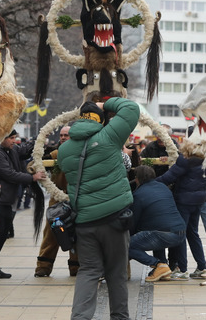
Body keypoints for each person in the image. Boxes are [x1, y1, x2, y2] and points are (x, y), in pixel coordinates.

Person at [58, 98, 139, 320]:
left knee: (88, 271)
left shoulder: (64, 150)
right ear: (101, 119)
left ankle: (80, 317)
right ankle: (120, 317)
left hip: (84, 221)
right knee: (116, 273)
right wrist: (107, 104)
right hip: (114, 219)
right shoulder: (109, 136)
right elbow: (131, 108)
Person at [0, 130, 45, 279]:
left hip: (7, 199)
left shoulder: (11, 149)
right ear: (1, 138)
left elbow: (24, 150)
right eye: (11, 138)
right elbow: (9, 174)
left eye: (15, 138)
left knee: (3, 233)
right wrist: (32, 178)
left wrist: (41, 137)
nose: (14, 141)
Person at [155, 151, 206, 279]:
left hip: (184, 199)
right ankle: (202, 267)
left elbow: (169, 177)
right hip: (200, 199)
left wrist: (151, 183)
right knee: (193, 232)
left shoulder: (187, 157)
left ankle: (182, 269)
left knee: (180, 232)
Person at [35, 124, 80, 278]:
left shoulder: (81, 153)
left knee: (76, 234)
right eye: (61, 135)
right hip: (56, 202)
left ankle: (76, 267)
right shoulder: (54, 154)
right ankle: (43, 267)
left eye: (66, 135)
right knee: (51, 233)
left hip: (76, 200)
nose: (62, 138)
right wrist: (36, 170)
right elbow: (33, 165)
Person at [128, 165, 185, 282]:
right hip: (180, 231)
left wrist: (128, 236)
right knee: (155, 235)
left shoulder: (138, 195)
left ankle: (159, 265)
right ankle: (164, 270)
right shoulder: (163, 187)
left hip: (165, 233)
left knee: (126, 246)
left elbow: (133, 222)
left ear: (138, 179)